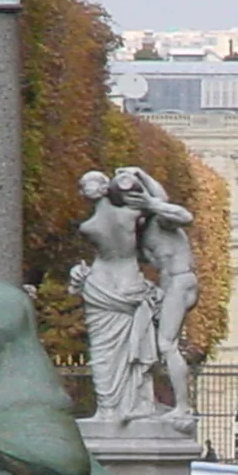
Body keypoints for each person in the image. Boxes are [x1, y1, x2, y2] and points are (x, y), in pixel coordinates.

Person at [70, 169, 158, 422]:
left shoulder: (88, 227)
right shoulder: (130, 215)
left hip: (100, 282)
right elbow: (162, 204)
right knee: (126, 348)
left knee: (102, 351)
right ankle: (125, 406)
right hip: (124, 281)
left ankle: (109, 408)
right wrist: (139, 178)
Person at [130, 170, 198, 420]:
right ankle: (148, 400)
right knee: (147, 343)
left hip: (180, 281)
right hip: (167, 287)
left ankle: (183, 406)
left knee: (166, 345)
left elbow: (185, 215)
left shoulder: (161, 220)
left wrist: (143, 183)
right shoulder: (143, 230)